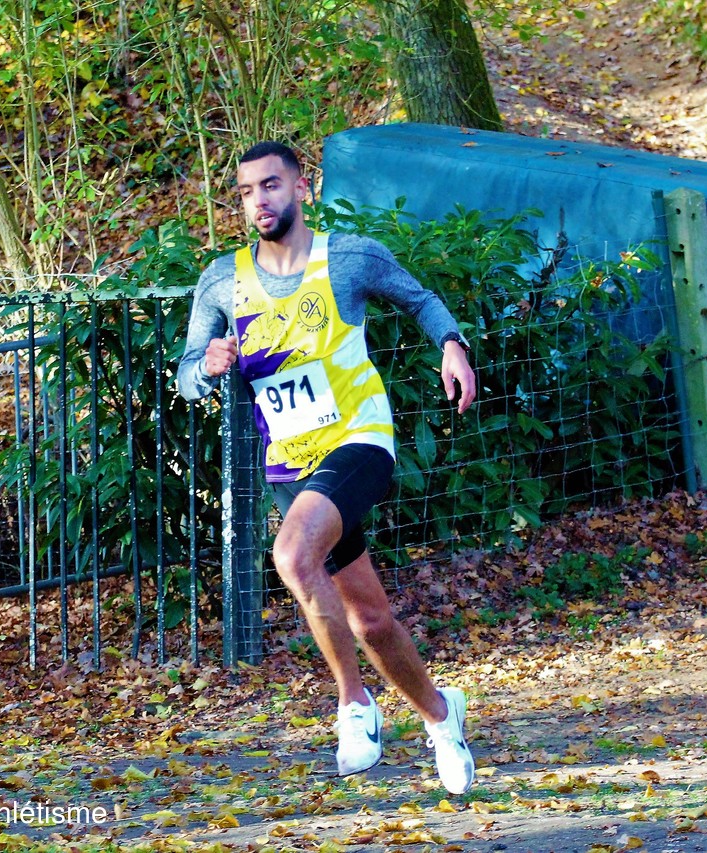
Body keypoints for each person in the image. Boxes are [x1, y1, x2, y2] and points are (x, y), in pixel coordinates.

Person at [177, 140, 478, 795]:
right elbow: (186, 373)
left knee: (291, 556)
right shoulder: (222, 280)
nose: (259, 200)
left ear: (302, 188)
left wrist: (452, 346)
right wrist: (207, 367)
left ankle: (353, 704)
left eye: (271, 185)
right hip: (291, 464)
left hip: (359, 439)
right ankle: (439, 715)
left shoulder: (348, 257)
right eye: (247, 191)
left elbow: (420, 299)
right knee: (370, 620)